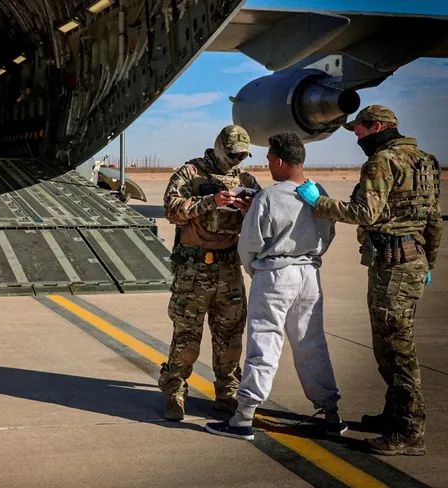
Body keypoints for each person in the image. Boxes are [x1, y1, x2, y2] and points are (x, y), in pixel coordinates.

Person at [297, 105, 442, 456]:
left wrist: (319, 202)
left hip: (392, 267)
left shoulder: (382, 161)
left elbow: (365, 213)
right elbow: (434, 219)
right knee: (393, 345)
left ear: (376, 126)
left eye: (360, 131)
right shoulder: (426, 161)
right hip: (412, 261)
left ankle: (409, 432)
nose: (357, 137)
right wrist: (429, 261)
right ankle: (394, 416)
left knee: (395, 350)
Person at [204, 131, 348, 440]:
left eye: (270, 159)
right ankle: (331, 413)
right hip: (309, 275)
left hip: (274, 276)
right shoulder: (318, 193)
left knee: (264, 346)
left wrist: (257, 272)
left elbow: (249, 245)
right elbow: (329, 234)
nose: (268, 165)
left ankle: (243, 417)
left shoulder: (268, 197)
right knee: (312, 344)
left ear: (280, 161)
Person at [159, 124, 262, 421]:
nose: (237, 160)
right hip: (194, 269)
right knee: (186, 337)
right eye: (233, 154)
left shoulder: (246, 180)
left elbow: (263, 219)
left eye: (242, 156)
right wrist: (210, 202)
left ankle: (227, 393)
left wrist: (249, 209)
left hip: (228, 268)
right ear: (219, 148)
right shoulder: (191, 173)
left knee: (230, 337)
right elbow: (171, 208)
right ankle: (175, 392)